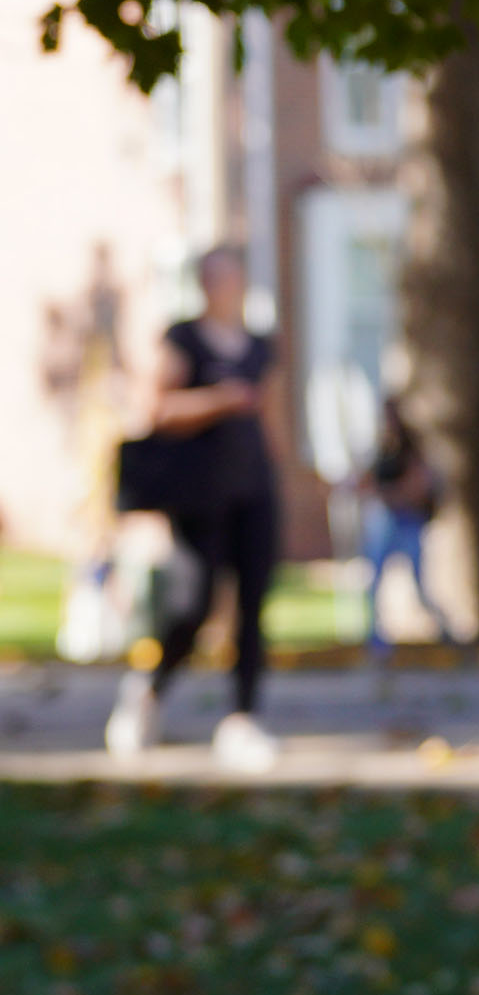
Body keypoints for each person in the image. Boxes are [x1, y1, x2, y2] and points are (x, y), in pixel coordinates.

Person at [104, 245, 283, 771]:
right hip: (200, 494)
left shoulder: (259, 346)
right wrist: (219, 400)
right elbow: (156, 408)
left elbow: (272, 420)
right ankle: (149, 691)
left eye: (229, 278)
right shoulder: (182, 340)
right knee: (197, 604)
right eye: (212, 279)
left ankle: (242, 719)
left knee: (254, 604)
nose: (221, 288)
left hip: (254, 488)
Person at [360, 396, 451, 653]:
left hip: (407, 522)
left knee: (419, 585)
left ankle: (445, 631)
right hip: (385, 522)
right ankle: (376, 641)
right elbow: (368, 482)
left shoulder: (411, 451)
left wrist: (387, 494)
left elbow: (416, 488)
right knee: (374, 581)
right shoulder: (381, 451)